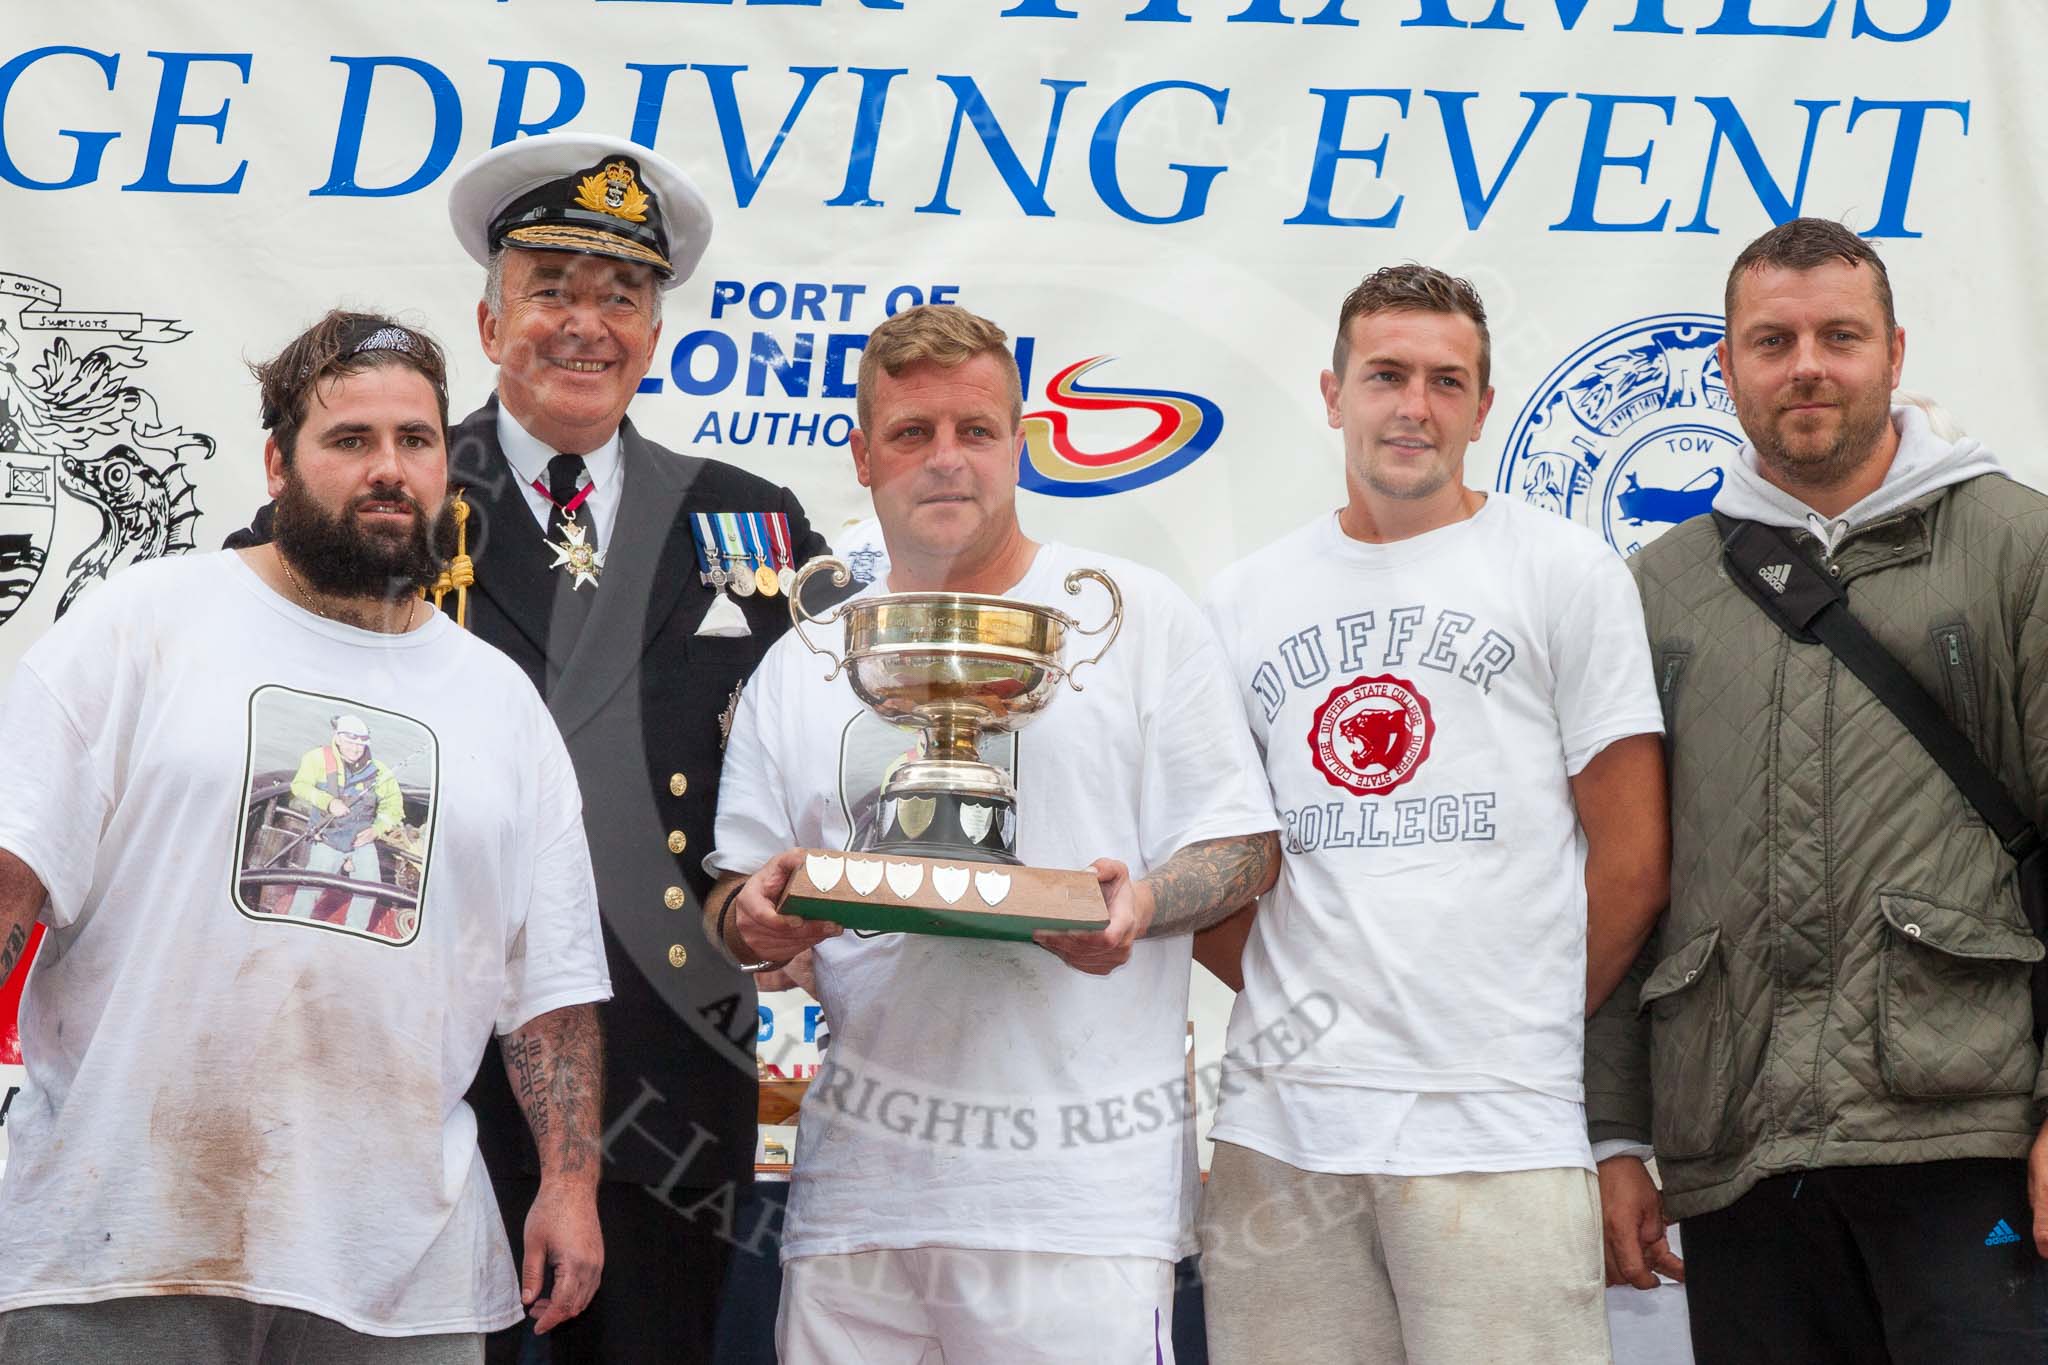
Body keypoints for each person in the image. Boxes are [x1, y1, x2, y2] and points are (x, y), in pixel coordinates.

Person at [227, 132, 830, 1364]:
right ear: (491, 320)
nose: (585, 324)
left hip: (669, 1064)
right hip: (410, 1048)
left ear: (656, 334)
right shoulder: (384, 491)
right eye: (551, 289)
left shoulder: (750, 520)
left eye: (621, 297)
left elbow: (822, 755)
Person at [0, 311, 610, 1362]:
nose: (388, 470)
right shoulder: (142, 622)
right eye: (350, 440)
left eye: (414, 441)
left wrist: (569, 1179)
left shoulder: (498, 703)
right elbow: (10, 884)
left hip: (400, 1277)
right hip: (117, 1241)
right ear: (278, 461)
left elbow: (547, 984)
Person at [703, 303, 1281, 1363]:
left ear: (1018, 444)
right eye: (911, 433)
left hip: (1077, 1211)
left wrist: (1144, 904)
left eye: (975, 431)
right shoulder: (806, 658)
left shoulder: (1135, 618)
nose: (946, 461)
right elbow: (737, 892)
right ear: (863, 455)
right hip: (857, 1205)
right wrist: (753, 918)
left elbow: (1241, 848)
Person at [1591, 217, 2048, 1363]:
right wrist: (1609, 1137)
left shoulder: (2016, 546)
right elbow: (1611, 876)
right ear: (1726, 370)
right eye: (1771, 339)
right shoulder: (1657, 589)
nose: (1805, 364)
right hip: (1736, 1148)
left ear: (1892, 353)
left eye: (1837, 336)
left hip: (1962, 1135)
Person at [1197, 264, 1670, 1365]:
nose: (1412, 404)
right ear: (1331, 394)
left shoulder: (1563, 570)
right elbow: (1213, 862)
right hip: (1282, 1132)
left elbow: (1634, 854)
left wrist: (1519, 1020)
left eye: (1443, 381)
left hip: (1496, 1121)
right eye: (1384, 374)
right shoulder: (1242, 600)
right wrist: (1306, 999)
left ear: (1481, 409)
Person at [285, 713, 404, 930]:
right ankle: (291, 928)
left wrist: (376, 830)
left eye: (361, 742)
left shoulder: (381, 772)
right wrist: (328, 802)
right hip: (327, 839)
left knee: (370, 889)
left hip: (361, 841)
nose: (355, 748)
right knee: (310, 888)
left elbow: (394, 807)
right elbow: (299, 786)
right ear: (337, 738)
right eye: (350, 741)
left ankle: (354, 933)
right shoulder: (316, 758)